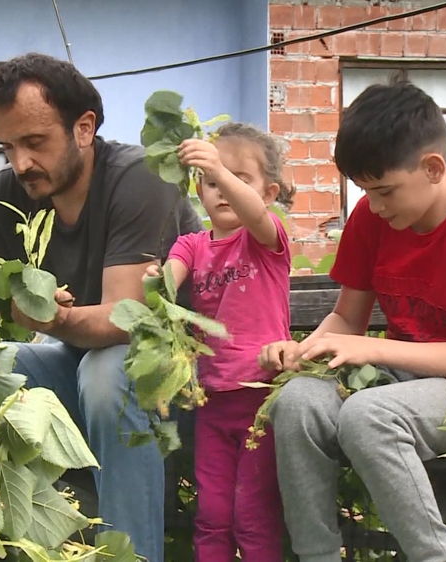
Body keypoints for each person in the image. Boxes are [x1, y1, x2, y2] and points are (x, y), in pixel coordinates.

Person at [259, 77, 446, 562]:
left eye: (386, 191)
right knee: (298, 402)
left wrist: (372, 348)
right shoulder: (373, 218)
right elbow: (347, 317)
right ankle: (317, 555)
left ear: (433, 168)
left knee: (369, 416)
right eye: (365, 192)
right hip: (401, 383)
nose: (375, 205)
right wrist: (303, 351)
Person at [0, 52, 202, 562]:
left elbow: (126, 321)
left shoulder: (139, 178)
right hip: (83, 364)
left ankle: (129, 556)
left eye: (35, 142)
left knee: (107, 373)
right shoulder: (9, 192)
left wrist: (59, 320)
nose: (20, 163)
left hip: (184, 383)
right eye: (8, 147)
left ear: (84, 128)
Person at [145, 122, 294, 561]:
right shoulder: (192, 245)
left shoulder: (266, 239)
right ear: (199, 189)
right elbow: (166, 288)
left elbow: (255, 217)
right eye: (211, 182)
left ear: (268, 193)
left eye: (238, 179)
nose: (223, 190)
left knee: (253, 514)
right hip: (210, 401)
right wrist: (154, 284)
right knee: (210, 513)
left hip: (262, 398)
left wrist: (217, 167)